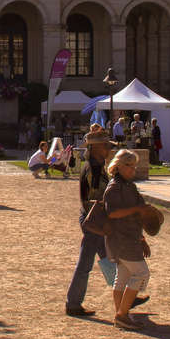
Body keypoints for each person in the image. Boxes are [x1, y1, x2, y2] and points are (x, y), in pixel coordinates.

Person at [65, 128, 124, 316]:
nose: (109, 149)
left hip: (93, 218)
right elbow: (93, 198)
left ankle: (124, 296)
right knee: (88, 263)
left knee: (108, 258)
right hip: (95, 219)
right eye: (106, 146)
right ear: (97, 148)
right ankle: (74, 303)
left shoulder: (94, 165)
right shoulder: (95, 168)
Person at [101, 148, 150, 330]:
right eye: (129, 166)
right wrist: (136, 210)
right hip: (121, 238)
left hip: (129, 236)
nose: (133, 170)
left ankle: (121, 315)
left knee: (123, 276)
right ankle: (122, 314)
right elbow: (112, 213)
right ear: (119, 166)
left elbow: (140, 210)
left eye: (134, 166)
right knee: (141, 273)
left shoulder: (129, 186)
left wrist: (142, 238)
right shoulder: (114, 187)